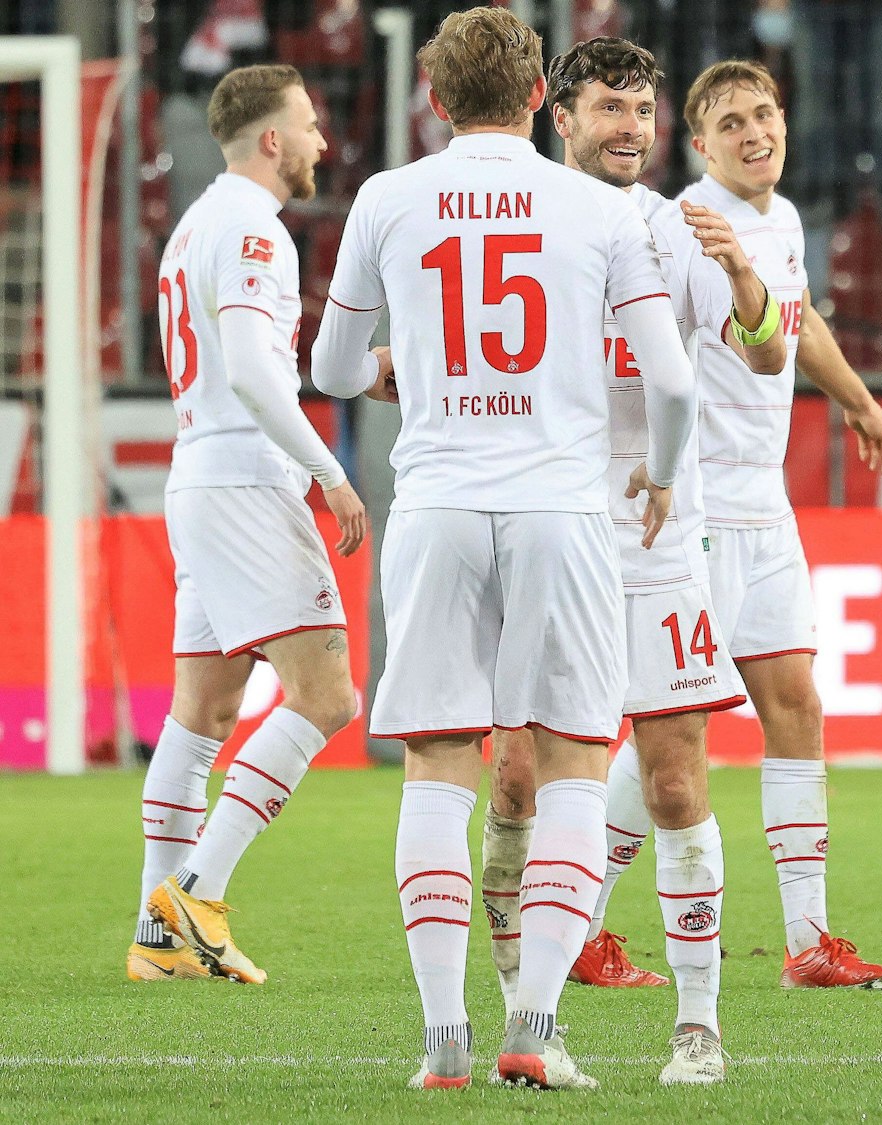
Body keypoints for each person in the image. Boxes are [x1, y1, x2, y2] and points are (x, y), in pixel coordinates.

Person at [309, 6, 698, 1091]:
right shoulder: (594, 208)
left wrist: (395, 363)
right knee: (575, 762)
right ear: (540, 97)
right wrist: (660, 474)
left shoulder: (388, 199)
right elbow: (669, 380)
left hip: (434, 506)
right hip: (561, 508)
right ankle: (533, 1026)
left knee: (440, 766)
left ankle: (443, 1042)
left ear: (434, 99)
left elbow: (335, 369)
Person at [478, 34, 788, 1086]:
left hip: (660, 542)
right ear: (556, 117)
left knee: (669, 782)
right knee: (518, 781)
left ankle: (697, 1026)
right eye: (611, 109)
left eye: (644, 111)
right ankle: (533, 1018)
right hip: (547, 535)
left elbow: (767, 349)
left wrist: (742, 269)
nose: (631, 129)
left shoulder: (678, 231)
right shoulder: (516, 223)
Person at [135, 63, 366, 987]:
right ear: (271, 140)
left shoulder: (192, 225)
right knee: (328, 697)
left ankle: (157, 931)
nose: (321, 142)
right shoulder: (254, 230)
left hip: (199, 476)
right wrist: (328, 471)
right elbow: (252, 370)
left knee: (203, 715)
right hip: (245, 479)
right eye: (309, 126)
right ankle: (196, 894)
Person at [678, 59, 882, 989]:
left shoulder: (781, 219)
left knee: (797, 705)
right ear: (702, 146)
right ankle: (581, 925)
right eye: (731, 122)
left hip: (762, 502)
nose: (754, 132)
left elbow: (799, 321)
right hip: (695, 505)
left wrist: (858, 400)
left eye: (764, 113)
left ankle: (809, 941)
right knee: (675, 725)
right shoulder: (693, 226)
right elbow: (764, 344)